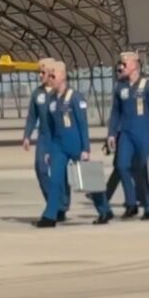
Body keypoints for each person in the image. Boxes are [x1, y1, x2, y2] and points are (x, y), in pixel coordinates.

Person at [34, 61, 112, 227]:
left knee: (88, 179)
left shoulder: (76, 98)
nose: (51, 79)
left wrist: (86, 149)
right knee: (54, 180)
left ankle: (104, 210)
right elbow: (49, 127)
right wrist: (48, 149)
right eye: (49, 76)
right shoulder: (51, 99)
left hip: (76, 144)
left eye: (53, 75)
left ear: (63, 76)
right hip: (58, 146)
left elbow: (83, 125)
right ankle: (50, 215)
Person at [107, 51, 149, 220]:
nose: (121, 66)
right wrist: (111, 133)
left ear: (134, 65)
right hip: (126, 133)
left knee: (145, 170)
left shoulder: (148, 86)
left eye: (125, 63)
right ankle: (131, 203)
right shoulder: (120, 86)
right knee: (122, 166)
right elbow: (115, 112)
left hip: (143, 133)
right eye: (121, 63)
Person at [23, 58, 67, 222]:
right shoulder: (37, 93)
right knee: (41, 169)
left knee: (59, 173)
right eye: (39, 72)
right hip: (44, 137)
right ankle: (53, 203)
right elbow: (32, 117)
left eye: (43, 72)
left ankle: (62, 205)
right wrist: (27, 135)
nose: (40, 75)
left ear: (51, 73)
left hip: (58, 137)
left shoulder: (60, 92)